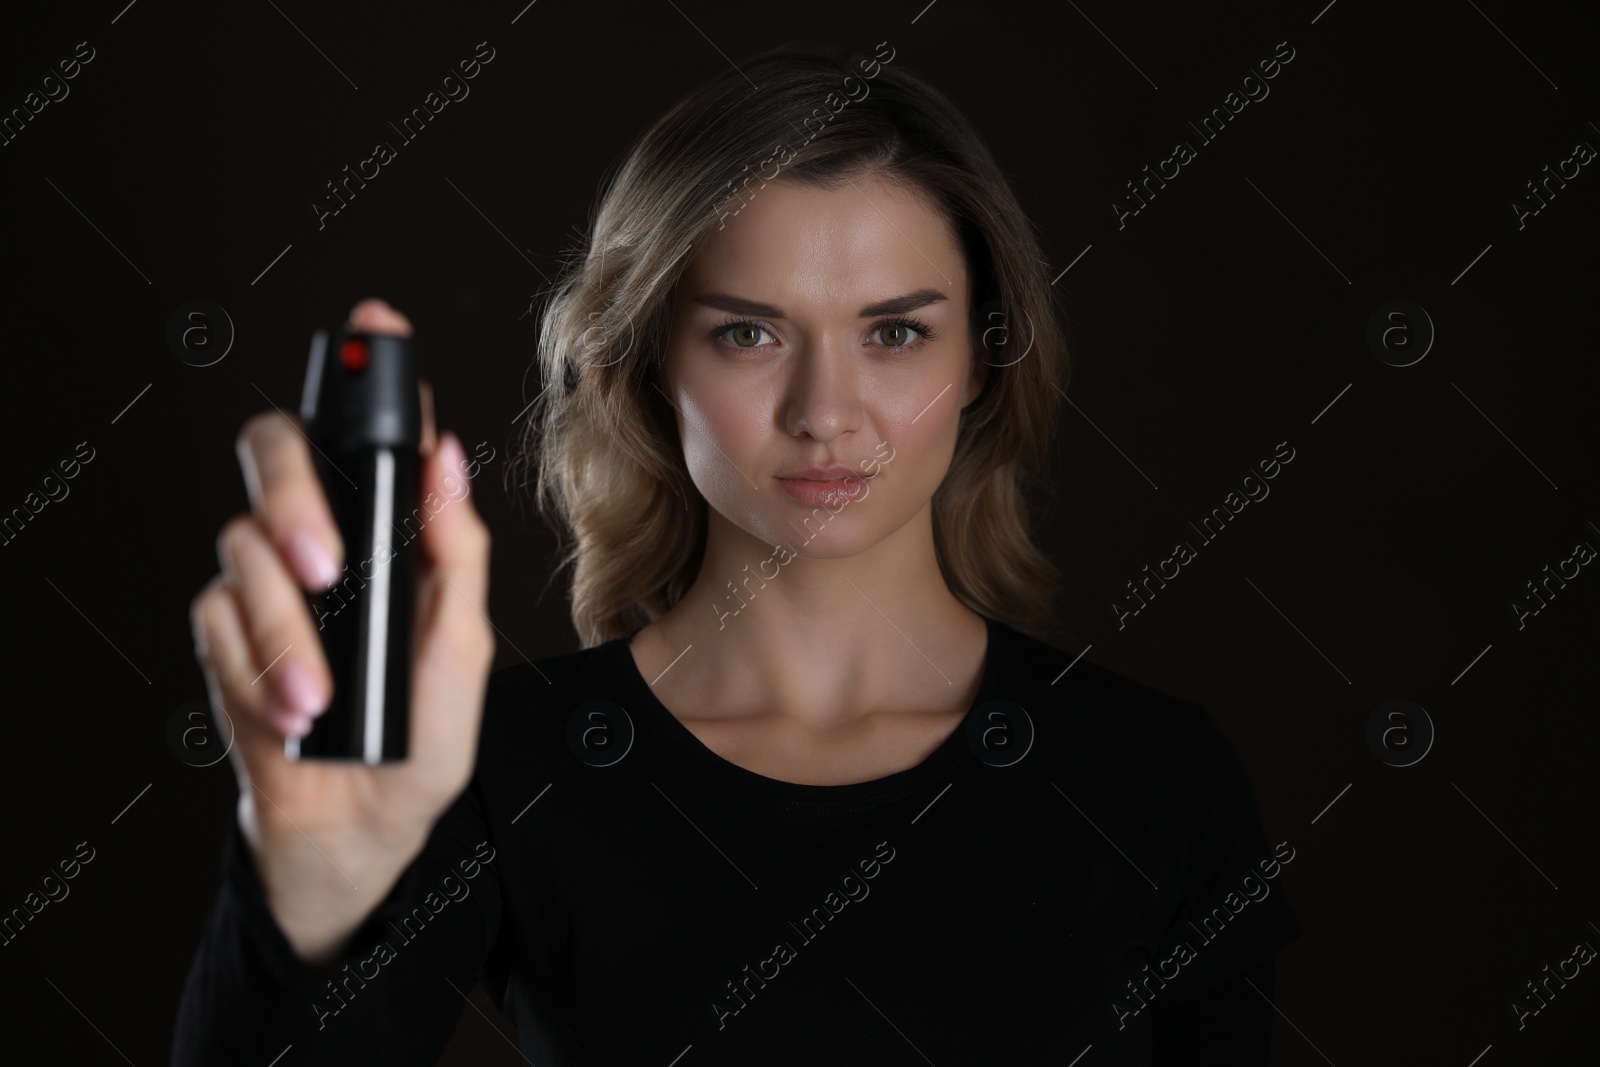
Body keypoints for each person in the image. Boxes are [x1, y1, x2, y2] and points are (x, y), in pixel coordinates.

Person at [173, 43, 1300, 1065]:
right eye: (748, 332)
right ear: (649, 362)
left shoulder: (1153, 780)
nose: (825, 410)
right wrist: (302, 909)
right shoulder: (496, 772)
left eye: (895, 331)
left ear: (984, 360)